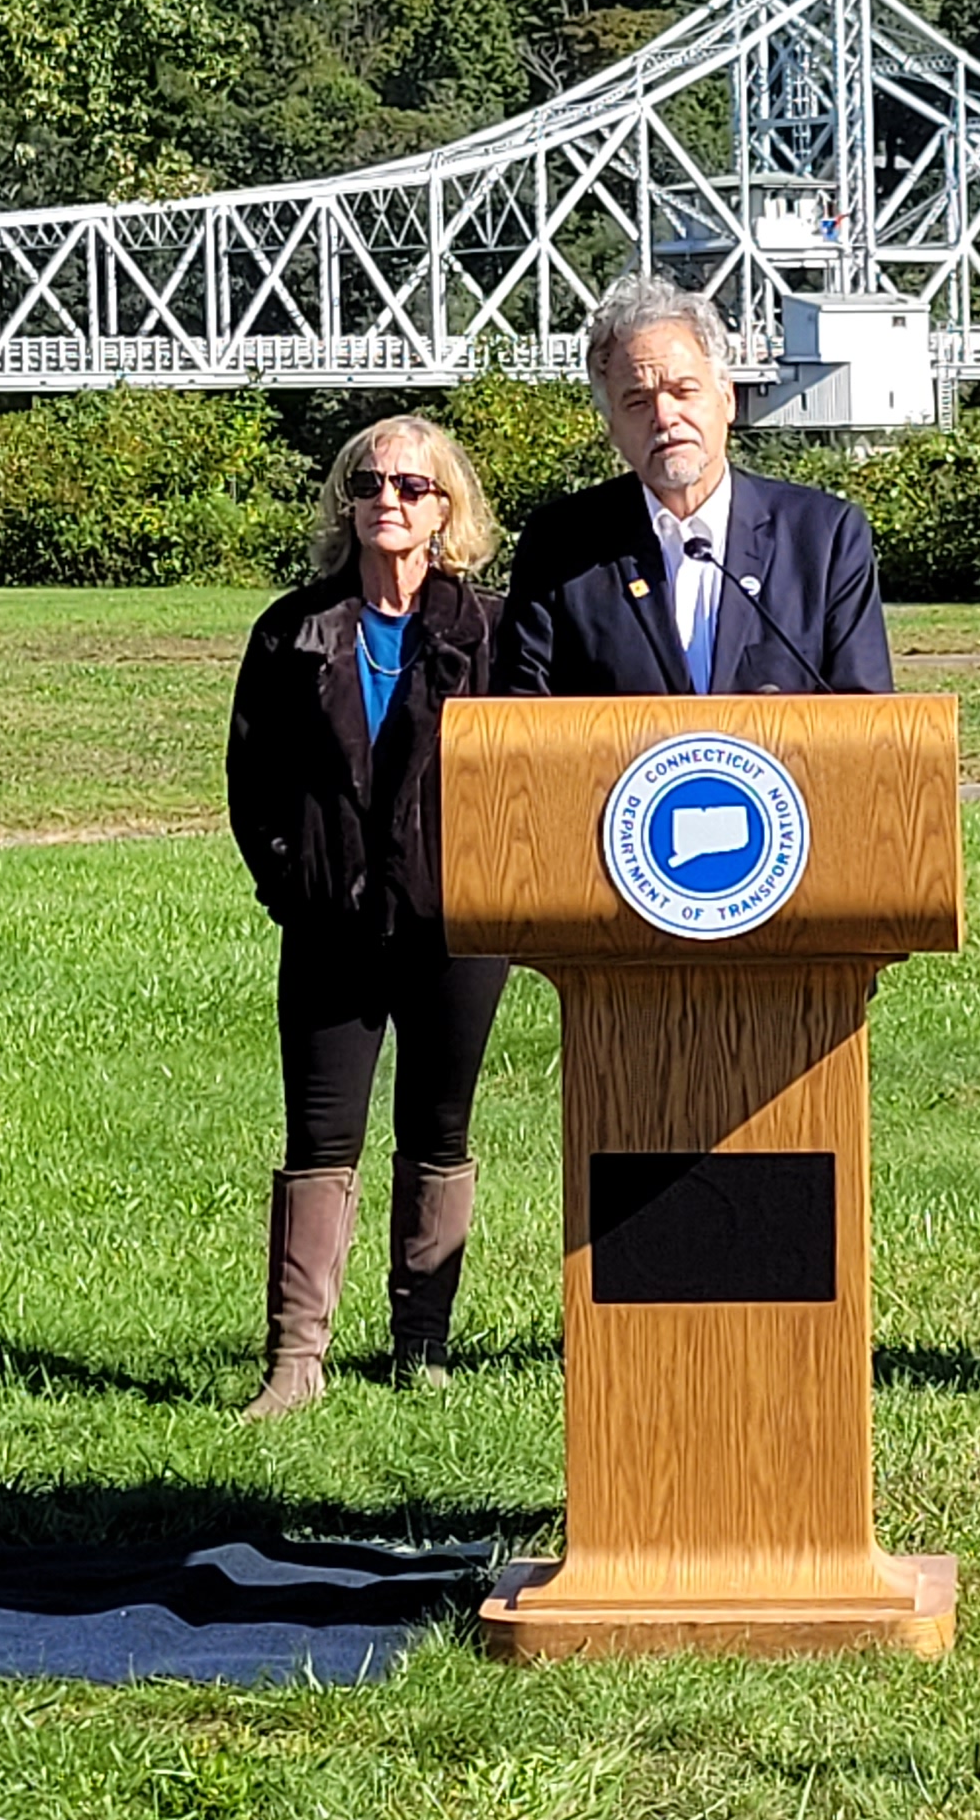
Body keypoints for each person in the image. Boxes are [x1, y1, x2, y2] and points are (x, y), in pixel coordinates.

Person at [224, 417, 514, 1415]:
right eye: (368, 482)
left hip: (457, 925)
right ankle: (295, 1365)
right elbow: (250, 780)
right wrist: (288, 878)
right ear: (346, 502)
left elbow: (530, 775)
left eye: (411, 486)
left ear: (447, 510)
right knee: (320, 1137)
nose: (387, 499)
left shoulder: (491, 634)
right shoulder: (292, 629)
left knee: (439, 1127)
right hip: (331, 926)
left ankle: (419, 1347)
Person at [500, 273, 896, 698]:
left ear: (728, 398)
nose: (665, 417)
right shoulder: (559, 546)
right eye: (637, 402)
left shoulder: (823, 538)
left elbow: (866, 720)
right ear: (612, 427)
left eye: (683, 391)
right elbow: (520, 721)